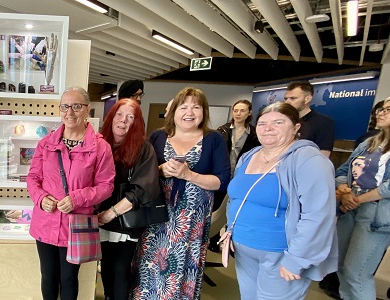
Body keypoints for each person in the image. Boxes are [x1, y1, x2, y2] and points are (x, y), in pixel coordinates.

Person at [225, 101, 337, 299]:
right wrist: (230, 229)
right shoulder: (249, 156)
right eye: (262, 123)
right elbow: (238, 197)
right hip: (244, 250)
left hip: (281, 254)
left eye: (278, 122)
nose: (268, 128)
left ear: (296, 127)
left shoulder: (309, 160)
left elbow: (319, 215)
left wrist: (297, 259)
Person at [132, 87, 230, 300]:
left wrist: (189, 175)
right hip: (156, 217)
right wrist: (159, 170)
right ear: (173, 111)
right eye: (183, 107)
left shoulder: (214, 139)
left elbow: (222, 181)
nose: (189, 112)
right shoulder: (157, 136)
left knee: (181, 267)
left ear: (204, 112)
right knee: (148, 265)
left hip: (190, 222)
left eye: (196, 107)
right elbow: (141, 172)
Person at [26, 87, 115, 300]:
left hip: (75, 225)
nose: (70, 112)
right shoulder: (46, 144)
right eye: (65, 106)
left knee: (68, 278)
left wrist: (77, 198)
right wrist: (41, 198)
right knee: (48, 276)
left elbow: (106, 186)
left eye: (76, 106)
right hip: (46, 222)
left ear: (87, 110)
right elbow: (32, 178)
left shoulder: (100, 147)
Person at [96, 99, 164, 300]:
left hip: (124, 219)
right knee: (105, 267)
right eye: (119, 114)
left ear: (137, 122)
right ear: (111, 117)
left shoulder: (143, 147)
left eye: (130, 117)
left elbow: (144, 189)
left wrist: (111, 213)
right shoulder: (99, 142)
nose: (123, 120)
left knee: (121, 269)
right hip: (99, 217)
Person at [335, 96, 390, 300]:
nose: (381, 112)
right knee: (340, 266)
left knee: (357, 274)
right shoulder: (369, 142)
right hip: (349, 208)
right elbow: (342, 170)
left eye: (388, 109)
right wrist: (345, 190)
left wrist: (357, 199)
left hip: (375, 214)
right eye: (380, 109)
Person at [210, 100, 261, 250]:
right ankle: (213, 241)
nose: (238, 114)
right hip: (222, 176)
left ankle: (230, 242)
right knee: (216, 210)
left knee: (235, 211)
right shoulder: (222, 131)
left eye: (242, 110)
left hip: (241, 177)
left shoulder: (254, 134)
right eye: (236, 110)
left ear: (249, 112)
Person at [283, 81, 334, 157]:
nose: (287, 102)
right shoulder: (284, 121)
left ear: (307, 99)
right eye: (286, 99)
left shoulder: (323, 122)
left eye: (293, 98)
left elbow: (323, 156)